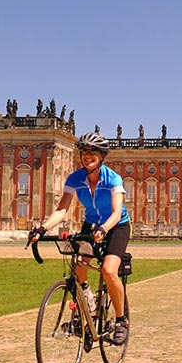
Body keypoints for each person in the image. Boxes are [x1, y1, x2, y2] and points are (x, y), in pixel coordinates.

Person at [28, 132, 130, 344]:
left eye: (93, 152)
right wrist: (43, 229)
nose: (88, 156)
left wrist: (104, 229)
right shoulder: (75, 179)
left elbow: (116, 212)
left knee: (109, 270)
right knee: (78, 267)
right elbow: (62, 209)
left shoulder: (113, 179)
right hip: (91, 225)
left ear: (101, 156)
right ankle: (88, 305)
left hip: (116, 226)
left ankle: (121, 321)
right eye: (84, 152)